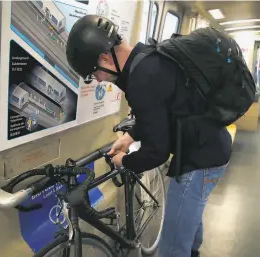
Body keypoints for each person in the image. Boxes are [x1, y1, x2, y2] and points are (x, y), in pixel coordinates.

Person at [66, 15, 231, 257]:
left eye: (95, 74)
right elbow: (161, 112)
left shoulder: (141, 79)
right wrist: (129, 137)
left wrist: (125, 162)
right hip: (211, 145)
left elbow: (157, 151)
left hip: (201, 159)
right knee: (189, 214)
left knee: (172, 247)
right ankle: (193, 250)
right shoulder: (147, 57)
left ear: (105, 58)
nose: (99, 81)